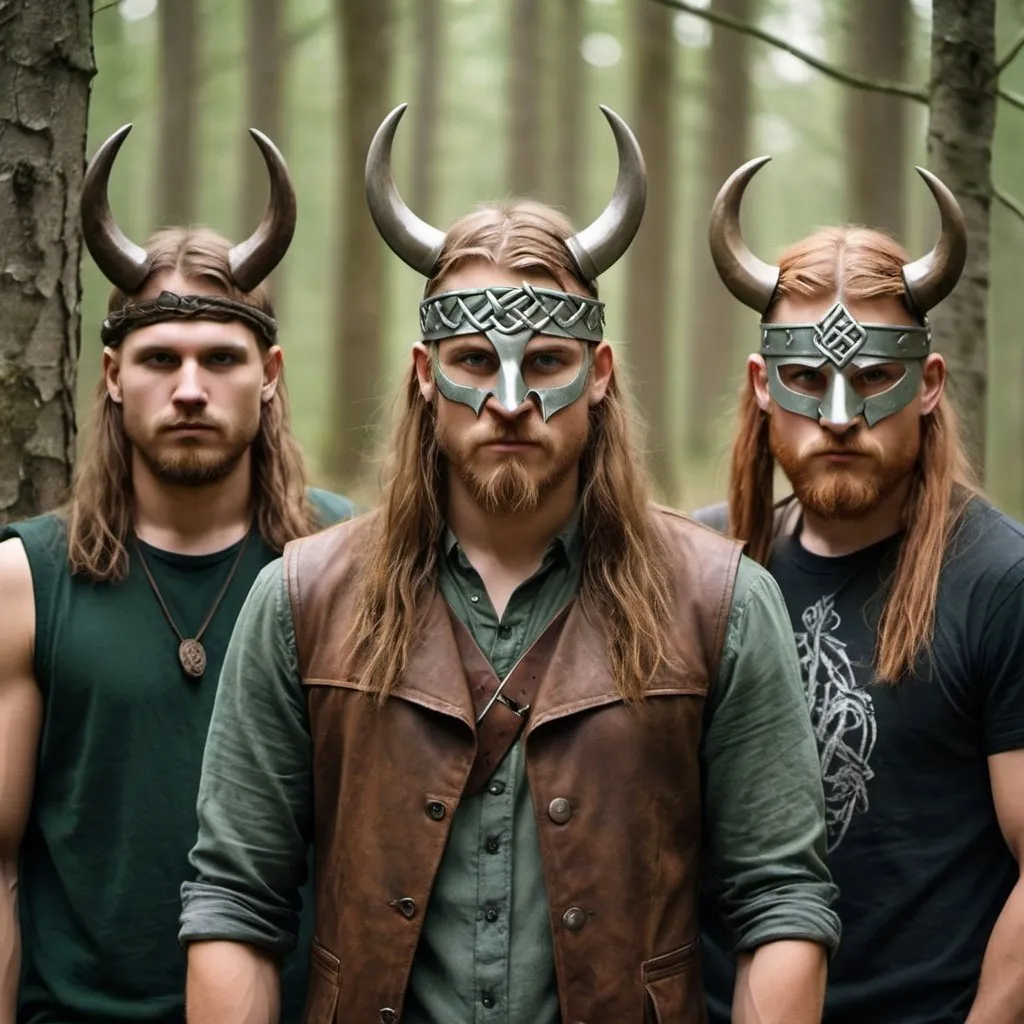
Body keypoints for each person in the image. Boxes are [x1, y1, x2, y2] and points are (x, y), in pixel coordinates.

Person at [179, 104, 839, 1024]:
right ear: (423, 373)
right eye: (474, 362)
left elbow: (781, 901)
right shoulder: (302, 599)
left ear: (600, 372)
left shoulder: (721, 600)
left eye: (550, 360)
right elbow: (234, 902)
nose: (512, 401)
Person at [0, 124, 352, 1024]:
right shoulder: (24, 580)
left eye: (220, 358)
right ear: (113, 377)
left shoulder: (353, 559)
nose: (189, 388)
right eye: (161, 360)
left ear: (268, 374)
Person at [696, 157, 1024, 1024]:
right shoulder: (698, 565)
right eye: (806, 380)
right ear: (765, 386)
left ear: (927, 385)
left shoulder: (1002, 582)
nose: (839, 419)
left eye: (875, 378)